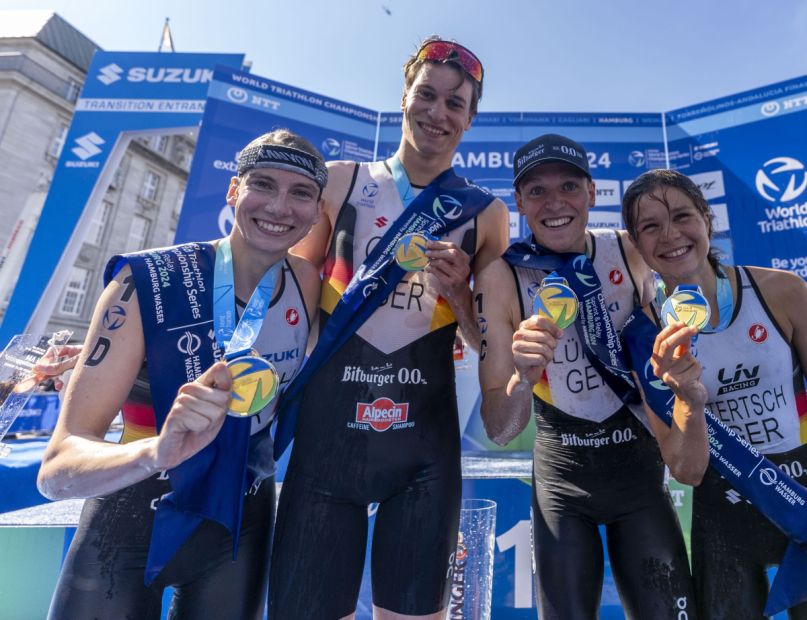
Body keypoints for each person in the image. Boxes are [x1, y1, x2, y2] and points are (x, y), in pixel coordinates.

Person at [36, 129, 324, 620]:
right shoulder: (148, 283)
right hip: (130, 525)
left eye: (301, 192)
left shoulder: (308, 283)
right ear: (233, 191)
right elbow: (56, 468)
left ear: (318, 210)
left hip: (239, 523)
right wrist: (156, 451)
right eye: (263, 184)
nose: (280, 206)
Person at [268, 37, 509, 618]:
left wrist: (459, 295)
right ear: (404, 97)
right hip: (327, 443)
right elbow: (294, 302)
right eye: (427, 94)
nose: (437, 112)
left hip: (422, 449)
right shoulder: (341, 183)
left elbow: (487, 342)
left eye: (456, 103)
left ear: (470, 120)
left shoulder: (484, 211)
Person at [475, 134, 699, 619]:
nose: (555, 203)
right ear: (519, 202)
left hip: (641, 481)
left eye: (569, 186)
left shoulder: (632, 250)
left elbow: (701, 286)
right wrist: (523, 377)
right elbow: (499, 427)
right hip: (563, 489)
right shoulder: (502, 275)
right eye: (536, 191)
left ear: (592, 193)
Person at [621, 168, 807, 619]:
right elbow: (687, 469)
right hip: (722, 512)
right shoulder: (644, 336)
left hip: (800, 495)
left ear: (707, 219)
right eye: (650, 227)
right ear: (637, 244)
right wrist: (688, 397)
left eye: (682, 216)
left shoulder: (783, 291)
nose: (670, 235)